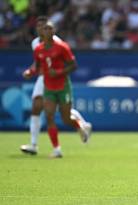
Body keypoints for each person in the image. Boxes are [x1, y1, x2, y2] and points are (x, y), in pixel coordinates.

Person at [20, 16, 92, 156]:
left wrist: (58, 72)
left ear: (53, 31)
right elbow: (38, 64)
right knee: (48, 115)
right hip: (47, 84)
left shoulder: (61, 46)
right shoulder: (37, 46)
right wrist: (30, 71)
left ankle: (81, 125)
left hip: (62, 85)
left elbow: (73, 65)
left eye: (48, 28)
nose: (44, 30)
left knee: (65, 118)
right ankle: (56, 149)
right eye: (42, 27)